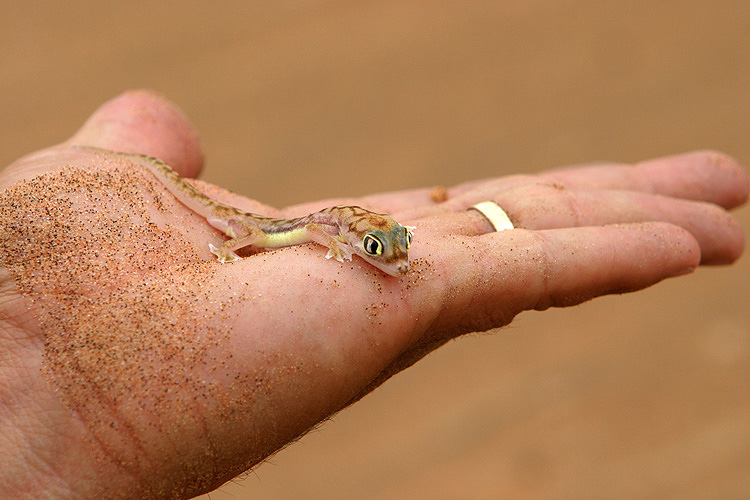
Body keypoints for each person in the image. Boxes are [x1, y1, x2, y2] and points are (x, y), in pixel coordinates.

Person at [0, 90, 746, 500]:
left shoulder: (369, 244)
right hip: (275, 230)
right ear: (358, 246)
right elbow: (301, 232)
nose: (388, 265)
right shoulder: (327, 241)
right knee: (240, 232)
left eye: (392, 254)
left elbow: (372, 243)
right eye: (378, 254)